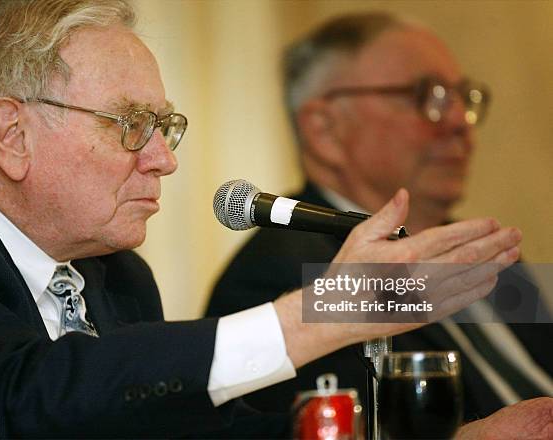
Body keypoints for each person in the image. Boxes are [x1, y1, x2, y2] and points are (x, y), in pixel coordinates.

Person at [0, 1, 523, 438]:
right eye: (130, 123)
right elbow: (23, 398)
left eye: (164, 128)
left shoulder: (118, 277)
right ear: (12, 135)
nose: (164, 160)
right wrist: (322, 315)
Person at [207, 12, 553, 423]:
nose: (460, 121)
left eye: (462, 97)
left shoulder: (484, 250)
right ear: (325, 130)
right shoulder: (284, 273)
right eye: (429, 96)